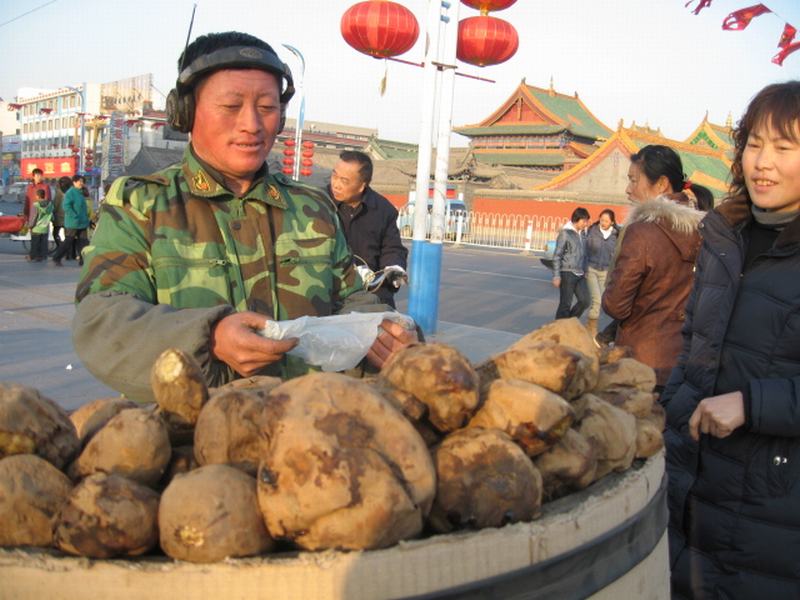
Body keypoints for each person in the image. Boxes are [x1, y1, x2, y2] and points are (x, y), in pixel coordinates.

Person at [72, 31, 416, 403]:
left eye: (266, 107)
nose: (252, 124)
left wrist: (386, 331)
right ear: (185, 113)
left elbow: (349, 299)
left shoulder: (311, 208)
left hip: (310, 432)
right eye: (231, 106)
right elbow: (102, 319)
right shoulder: (142, 204)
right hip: (191, 440)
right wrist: (207, 336)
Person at [662, 81, 800, 599]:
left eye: (784, 148)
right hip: (691, 479)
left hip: (774, 508)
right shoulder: (724, 236)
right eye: (755, 144)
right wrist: (671, 410)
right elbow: (694, 338)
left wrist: (752, 404)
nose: (763, 162)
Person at [601, 145, 708, 388]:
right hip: (683, 361)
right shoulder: (705, 231)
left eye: (634, 180)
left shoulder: (642, 232)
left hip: (640, 359)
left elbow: (616, 305)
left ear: (661, 184)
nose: (629, 188)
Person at [328, 150, 407, 307]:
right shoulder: (318, 203)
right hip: (329, 292)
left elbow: (393, 248)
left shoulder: (384, 210)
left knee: (404, 329)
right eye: (334, 176)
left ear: (361, 186)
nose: (335, 184)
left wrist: (393, 270)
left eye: (344, 180)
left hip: (370, 294)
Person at [584, 208, 618, 337]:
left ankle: (590, 326)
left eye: (606, 221)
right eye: (602, 219)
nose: (603, 222)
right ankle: (591, 329)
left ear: (612, 222)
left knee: (604, 301)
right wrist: (585, 267)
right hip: (592, 269)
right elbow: (585, 250)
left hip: (605, 271)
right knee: (597, 299)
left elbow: (616, 254)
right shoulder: (592, 231)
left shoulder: (616, 235)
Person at [552, 207, 590, 320]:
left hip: (580, 273)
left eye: (587, 221)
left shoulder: (582, 234)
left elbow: (584, 254)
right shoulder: (565, 233)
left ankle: (569, 322)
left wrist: (585, 269)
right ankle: (559, 330)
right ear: (576, 220)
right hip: (567, 272)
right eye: (584, 221)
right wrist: (556, 276)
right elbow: (557, 255)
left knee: (585, 301)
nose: (586, 224)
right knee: (565, 304)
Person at [51, 174, 90, 266]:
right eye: (79, 181)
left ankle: (83, 260)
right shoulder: (70, 193)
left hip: (82, 222)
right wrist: (74, 215)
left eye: (82, 181)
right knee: (68, 241)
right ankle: (57, 257)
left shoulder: (80, 192)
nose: (81, 183)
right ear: (74, 182)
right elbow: (66, 206)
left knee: (83, 241)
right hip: (73, 222)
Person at [26, 189, 52, 262]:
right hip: (45, 227)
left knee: (35, 243)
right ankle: (43, 256)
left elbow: (33, 217)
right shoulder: (50, 205)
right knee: (44, 243)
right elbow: (52, 216)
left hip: (36, 228)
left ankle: (33, 256)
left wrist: (30, 226)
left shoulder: (36, 205)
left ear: (37, 196)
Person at [51, 176, 72, 253]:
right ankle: (68, 252)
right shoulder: (72, 191)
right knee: (68, 235)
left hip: (59, 217)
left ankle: (61, 248)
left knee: (55, 233)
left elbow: (56, 205)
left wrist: (53, 212)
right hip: (69, 217)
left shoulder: (59, 192)